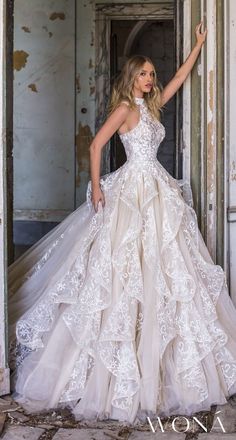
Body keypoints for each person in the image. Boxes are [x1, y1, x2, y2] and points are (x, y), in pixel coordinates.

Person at [7, 21, 236, 425]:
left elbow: (180, 77)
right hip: (132, 190)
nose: (150, 79)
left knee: (166, 269)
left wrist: (199, 44)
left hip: (157, 190)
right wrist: (96, 189)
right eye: (144, 74)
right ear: (132, 76)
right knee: (121, 272)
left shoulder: (149, 105)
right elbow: (96, 145)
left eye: (151, 74)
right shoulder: (126, 109)